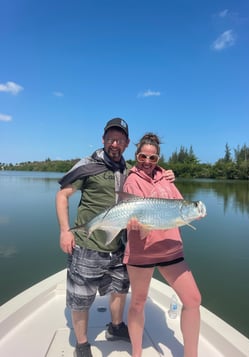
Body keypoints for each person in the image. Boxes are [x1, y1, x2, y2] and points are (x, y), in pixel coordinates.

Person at [56, 119, 175, 357]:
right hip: (88, 244)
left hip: (119, 246)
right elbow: (62, 196)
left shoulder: (129, 169)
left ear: (127, 143)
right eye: (111, 138)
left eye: (120, 140)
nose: (115, 143)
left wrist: (167, 175)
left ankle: (116, 327)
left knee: (119, 290)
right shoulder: (87, 165)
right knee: (81, 298)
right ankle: (81, 344)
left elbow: (151, 186)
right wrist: (65, 230)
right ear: (103, 139)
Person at [123, 133, 201, 357]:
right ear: (137, 155)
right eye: (142, 156)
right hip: (142, 251)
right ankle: (137, 353)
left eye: (152, 157)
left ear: (158, 158)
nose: (147, 161)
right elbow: (127, 214)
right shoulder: (131, 180)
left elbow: (179, 207)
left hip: (170, 248)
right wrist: (133, 223)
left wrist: (193, 214)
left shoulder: (167, 179)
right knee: (138, 303)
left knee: (193, 300)